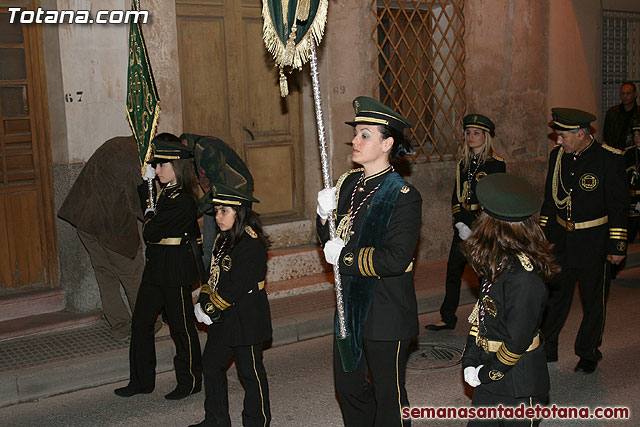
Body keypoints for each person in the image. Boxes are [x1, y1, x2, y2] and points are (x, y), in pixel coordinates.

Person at [317, 96, 422, 427]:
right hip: (349, 307)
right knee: (348, 388)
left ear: (387, 143)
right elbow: (330, 238)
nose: (355, 140)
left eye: (365, 134)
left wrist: (344, 257)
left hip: (386, 311)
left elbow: (395, 258)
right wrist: (321, 217)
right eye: (356, 133)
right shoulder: (348, 183)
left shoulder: (404, 196)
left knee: (389, 397)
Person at [461, 173, 557, 427]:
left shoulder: (524, 278)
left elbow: (518, 341)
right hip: (492, 374)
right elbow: (481, 315)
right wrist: (471, 360)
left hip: (517, 382)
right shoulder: (499, 263)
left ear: (493, 225)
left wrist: (488, 372)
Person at [539, 108, 628, 374]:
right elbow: (549, 201)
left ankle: (588, 351)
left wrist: (617, 245)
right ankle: (548, 344)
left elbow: (618, 206)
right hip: (562, 239)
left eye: (562, 136)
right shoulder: (557, 157)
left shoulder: (608, 159)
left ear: (581, 134)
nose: (558, 141)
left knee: (593, 300)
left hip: (594, 241)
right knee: (555, 295)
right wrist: (543, 238)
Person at [114, 133, 203, 400]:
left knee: (181, 327)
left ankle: (189, 380)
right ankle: (141, 381)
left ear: (177, 166)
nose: (157, 169)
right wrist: (147, 190)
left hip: (174, 270)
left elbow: (151, 232)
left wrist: (151, 214)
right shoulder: (164, 194)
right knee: (141, 323)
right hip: (156, 269)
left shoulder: (185, 200)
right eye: (156, 165)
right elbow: (151, 221)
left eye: (161, 165)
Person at [58, 135, 161, 341]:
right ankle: (150, 324)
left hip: (85, 220)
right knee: (134, 276)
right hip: (112, 227)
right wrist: (158, 222)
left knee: (105, 275)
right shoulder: (137, 159)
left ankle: (120, 327)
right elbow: (139, 205)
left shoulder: (117, 143)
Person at [190, 183, 272, 427]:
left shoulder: (251, 244)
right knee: (212, 365)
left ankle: (257, 422)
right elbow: (212, 276)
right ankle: (216, 419)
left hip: (246, 318)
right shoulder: (223, 240)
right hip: (224, 319)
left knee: (250, 373)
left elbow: (236, 286)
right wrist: (202, 301)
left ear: (240, 213)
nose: (218, 217)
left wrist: (210, 309)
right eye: (216, 211)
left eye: (224, 211)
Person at [426, 114, 506, 332]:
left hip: (483, 227)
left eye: (476, 133)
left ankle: (487, 318)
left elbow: (496, 200)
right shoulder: (463, 163)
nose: (471, 137)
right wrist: (460, 223)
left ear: (486, 136)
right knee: (453, 271)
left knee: (484, 275)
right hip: (463, 224)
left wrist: (478, 229)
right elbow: (456, 196)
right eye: (468, 133)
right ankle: (447, 318)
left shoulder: (495, 165)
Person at [603, 82, 640, 150]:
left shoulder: (638, 113)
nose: (625, 96)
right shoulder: (612, 113)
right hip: (615, 152)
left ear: (635, 94)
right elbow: (606, 136)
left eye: (628, 93)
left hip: (634, 153)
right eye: (622, 93)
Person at [623, 119, 640, 242]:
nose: (636, 138)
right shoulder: (628, 153)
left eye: (639, 135)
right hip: (632, 197)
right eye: (635, 135)